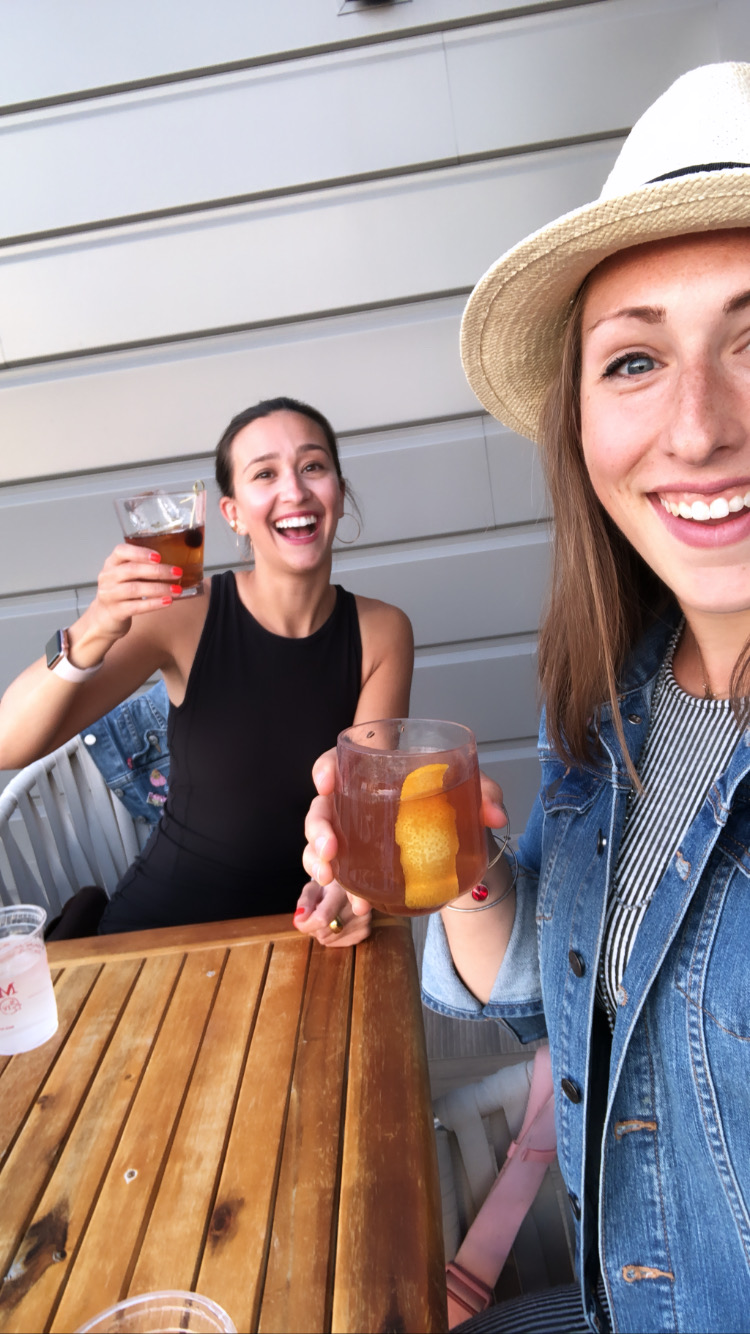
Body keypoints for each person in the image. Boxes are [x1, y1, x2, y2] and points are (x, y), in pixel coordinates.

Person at [302, 63, 750, 1332]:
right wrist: (475, 872)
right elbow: (534, 992)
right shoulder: (623, 693)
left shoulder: (375, 623)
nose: (699, 425)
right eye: (634, 360)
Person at [0, 397, 413, 943]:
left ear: (338, 489)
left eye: (313, 466)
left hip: (302, 930)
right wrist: (97, 624)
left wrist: (347, 890)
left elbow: (365, 813)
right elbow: (9, 745)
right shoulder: (182, 612)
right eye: (264, 473)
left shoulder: (384, 631)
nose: (295, 490)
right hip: (161, 930)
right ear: (233, 513)